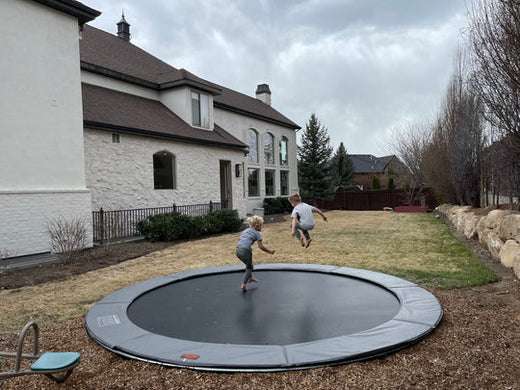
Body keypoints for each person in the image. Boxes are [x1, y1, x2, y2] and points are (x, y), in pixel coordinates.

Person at [235, 215, 275, 291]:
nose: (261, 227)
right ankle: (244, 284)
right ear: (257, 226)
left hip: (237, 251)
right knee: (249, 267)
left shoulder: (246, 230)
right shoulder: (257, 234)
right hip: (245, 251)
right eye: (261, 226)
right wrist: (269, 251)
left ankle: (250, 278)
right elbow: (261, 246)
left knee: (248, 265)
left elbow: (240, 238)